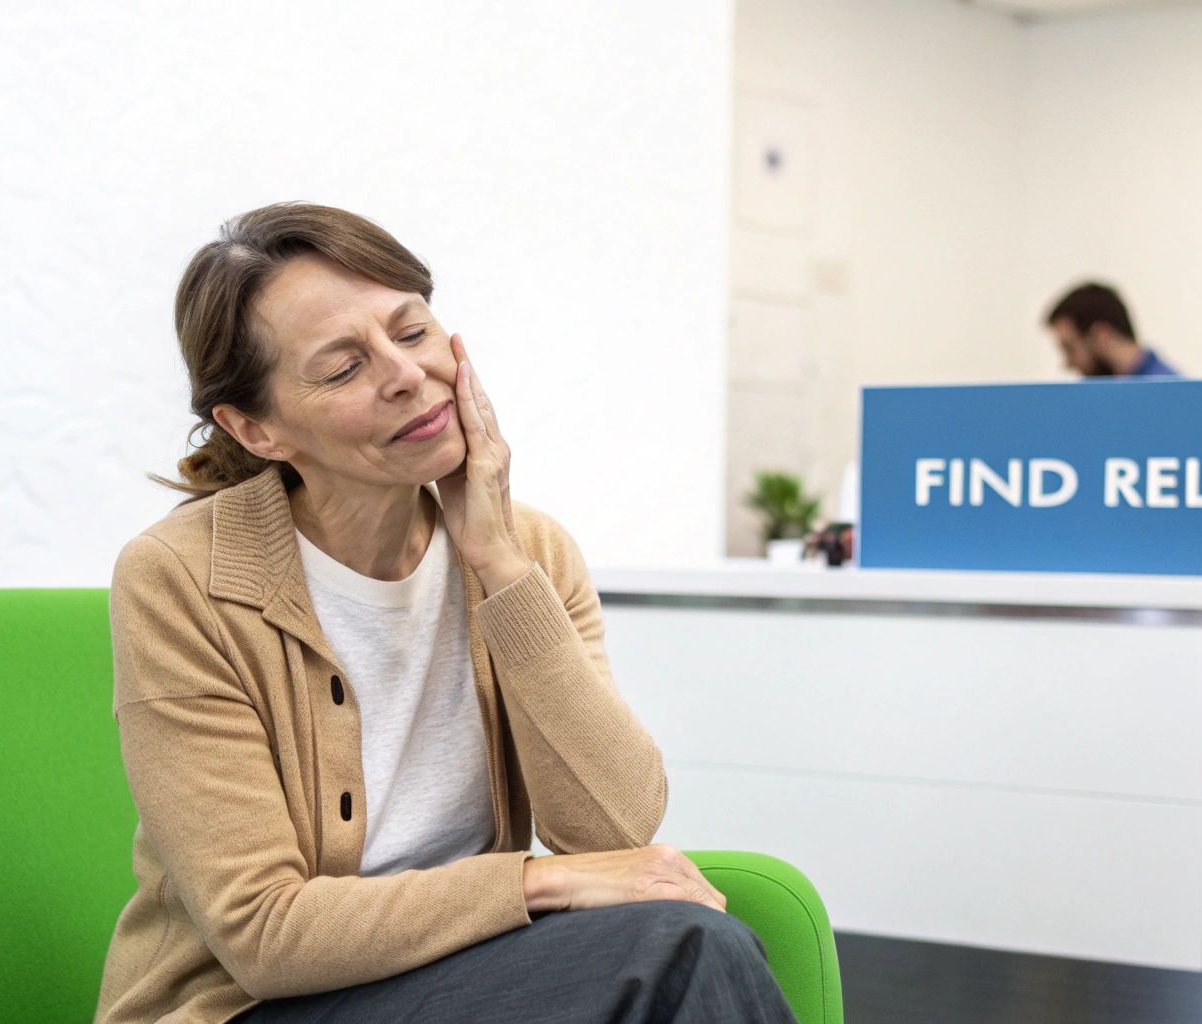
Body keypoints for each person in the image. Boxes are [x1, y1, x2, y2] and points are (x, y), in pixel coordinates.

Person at [95, 202, 796, 1024]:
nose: (403, 374)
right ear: (256, 428)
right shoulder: (180, 580)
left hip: (463, 978)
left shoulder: (529, 550)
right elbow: (263, 933)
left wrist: (500, 566)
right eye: (343, 366)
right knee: (682, 951)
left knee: (684, 942)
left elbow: (612, 829)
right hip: (250, 1007)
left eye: (412, 331)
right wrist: (540, 881)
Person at [1042, 282, 1179, 378]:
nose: (1067, 363)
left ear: (1102, 335)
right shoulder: (1094, 402)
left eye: (1069, 348)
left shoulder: (1175, 400)